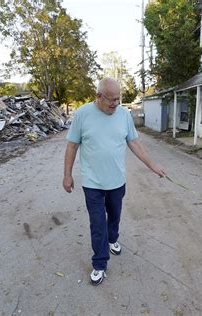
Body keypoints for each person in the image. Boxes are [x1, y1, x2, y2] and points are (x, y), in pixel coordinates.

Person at [63, 77, 165, 285]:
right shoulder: (82, 114)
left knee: (115, 216)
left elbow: (134, 142)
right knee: (97, 223)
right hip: (92, 183)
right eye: (111, 99)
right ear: (98, 96)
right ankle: (100, 264)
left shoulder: (124, 115)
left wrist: (152, 165)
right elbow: (72, 146)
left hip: (117, 181)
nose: (115, 104)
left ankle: (112, 239)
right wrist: (67, 174)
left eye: (118, 99)